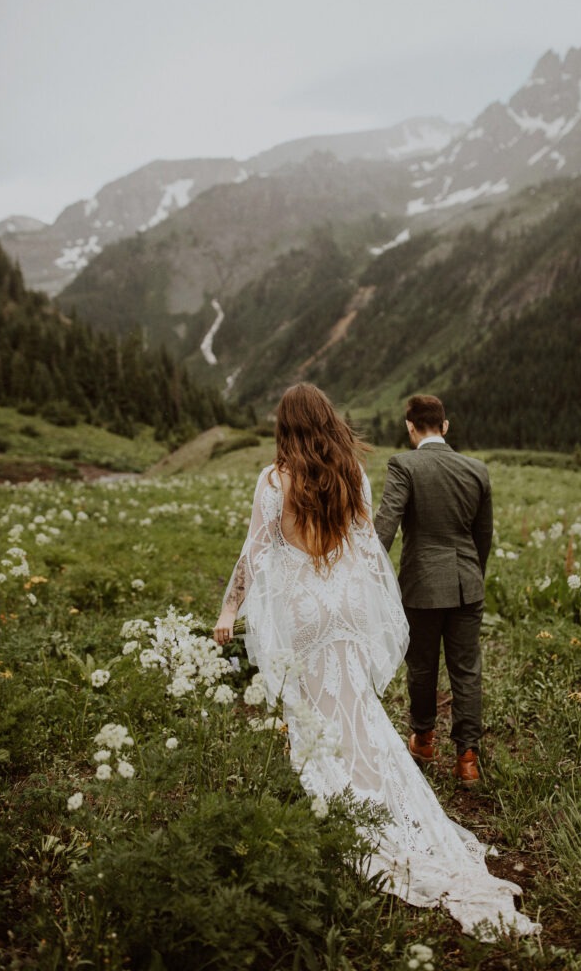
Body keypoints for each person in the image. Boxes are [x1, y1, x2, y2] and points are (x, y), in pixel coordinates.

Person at [213, 383, 538, 938]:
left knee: (312, 709)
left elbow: (255, 552)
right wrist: (371, 611)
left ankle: (336, 793)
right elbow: (367, 551)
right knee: (357, 708)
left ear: (285, 427)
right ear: (329, 420)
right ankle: (389, 780)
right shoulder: (353, 475)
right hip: (345, 606)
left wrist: (229, 608)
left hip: (301, 609)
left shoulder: (274, 481)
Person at [374, 394, 492, 785]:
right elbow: (483, 536)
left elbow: (386, 527)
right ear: (445, 426)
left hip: (421, 585)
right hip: (467, 583)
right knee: (467, 669)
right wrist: (472, 576)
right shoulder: (476, 469)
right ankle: (467, 759)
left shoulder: (403, 465)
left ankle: (424, 741)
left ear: (410, 427)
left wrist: (366, 575)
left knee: (422, 667)